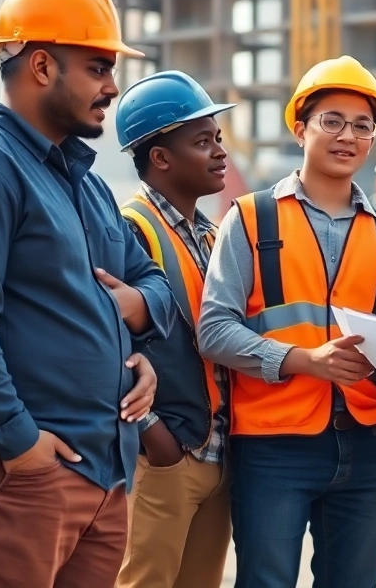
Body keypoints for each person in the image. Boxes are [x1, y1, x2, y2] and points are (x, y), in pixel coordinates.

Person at [0, 0, 174, 588]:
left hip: (104, 473)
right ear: (39, 65)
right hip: (23, 473)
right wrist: (20, 442)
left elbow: (152, 281)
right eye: (97, 67)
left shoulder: (85, 181)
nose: (112, 87)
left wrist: (134, 332)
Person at [198, 55, 376, 588]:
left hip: (368, 444)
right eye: (332, 121)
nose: (348, 136)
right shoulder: (250, 218)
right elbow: (214, 329)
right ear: (301, 128)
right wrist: (301, 361)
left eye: (363, 126)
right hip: (275, 445)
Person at [114, 70, 236, 588]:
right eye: (202, 141)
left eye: (218, 138)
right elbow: (106, 343)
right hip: (166, 458)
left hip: (219, 456)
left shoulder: (212, 237)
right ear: (160, 157)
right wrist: (153, 437)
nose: (220, 153)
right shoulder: (129, 228)